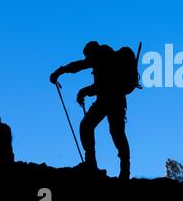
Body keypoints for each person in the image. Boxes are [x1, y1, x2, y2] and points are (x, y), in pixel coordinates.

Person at [50, 41, 131, 180]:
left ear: (92, 52)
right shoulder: (105, 57)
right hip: (113, 101)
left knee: (90, 127)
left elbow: (81, 67)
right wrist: (84, 91)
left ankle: (92, 165)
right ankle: (122, 170)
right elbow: (101, 85)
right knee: (115, 133)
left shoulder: (102, 55)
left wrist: (60, 71)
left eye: (87, 56)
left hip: (109, 101)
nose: (87, 60)